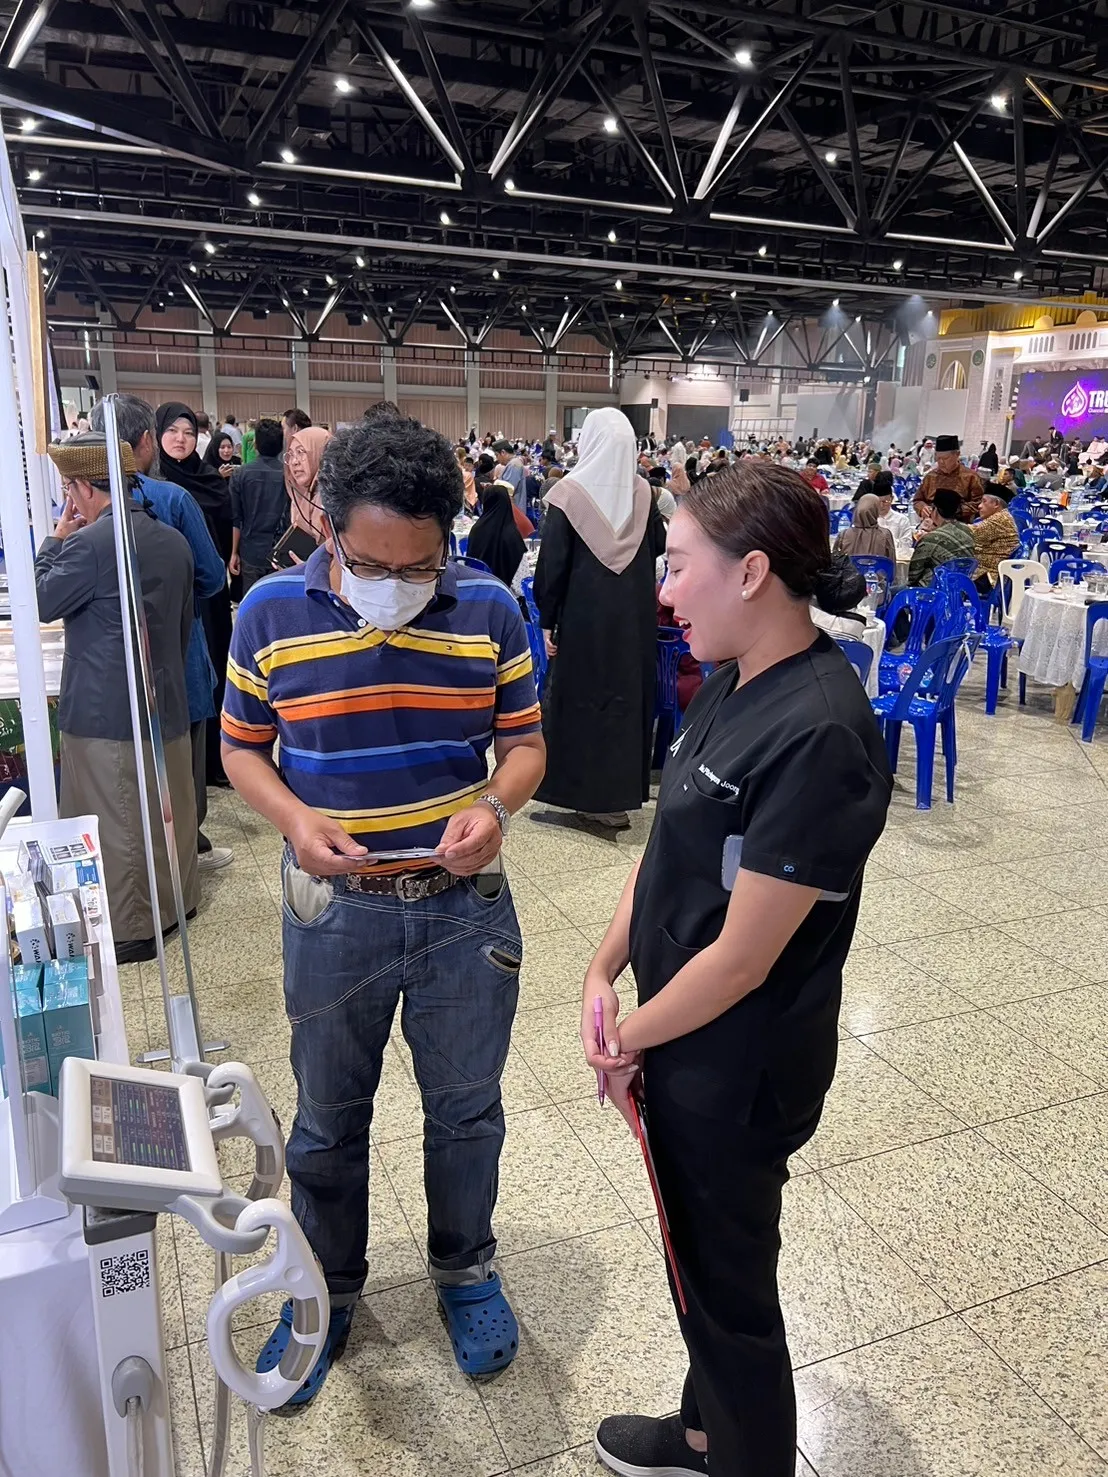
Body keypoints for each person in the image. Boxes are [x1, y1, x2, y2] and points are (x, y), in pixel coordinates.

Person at [220, 413, 546, 1407]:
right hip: (334, 912)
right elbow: (240, 746)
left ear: (449, 536)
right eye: (371, 564)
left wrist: (495, 807)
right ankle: (322, 1291)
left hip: (461, 910)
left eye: (418, 567)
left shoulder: (488, 607)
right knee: (326, 1120)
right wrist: (294, 819)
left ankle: (466, 1267)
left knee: (467, 1110)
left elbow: (526, 744)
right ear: (326, 524)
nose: (394, 589)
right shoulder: (270, 611)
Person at [581, 461, 891, 1477]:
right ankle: (702, 1432)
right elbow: (669, 847)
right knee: (700, 1270)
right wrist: (603, 969)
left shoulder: (820, 733)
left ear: (751, 571)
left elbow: (744, 960)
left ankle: (743, 1452)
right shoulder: (731, 677)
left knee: (730, 1298)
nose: (663, 590)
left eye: (677, 566)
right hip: (679, 1038)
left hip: (737, 1066)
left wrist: (625, 1039)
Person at [37, 435, 199, 962]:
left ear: (85, 488)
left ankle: (133, 928)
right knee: (166, 810)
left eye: (70, 489)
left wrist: (53, 542)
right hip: (165, 699)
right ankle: (178, 903)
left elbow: (42, 600)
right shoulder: (173, 541)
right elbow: (183, 623)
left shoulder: (90, 544)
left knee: (118, 820)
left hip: (105, 709)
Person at [89, 394, 231, 872]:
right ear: (148, 440)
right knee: (182, 761)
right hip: (177, 651)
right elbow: (212, 576)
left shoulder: (86, 499)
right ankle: (185, 854)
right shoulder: (171, 499)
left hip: (108, 662)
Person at [533, 406, 667, 831]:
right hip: (634, 625)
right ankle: (617, 798)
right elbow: (658, 548)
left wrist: (547, 618)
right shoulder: (644, 495)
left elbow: (551, 567)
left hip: (583, 623)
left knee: (579, 702)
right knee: (626, 702)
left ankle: (582, 796)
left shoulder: (569, 496)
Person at [156, 403, 234, 788]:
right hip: (176, 595)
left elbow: (225, 527)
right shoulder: (152, 483)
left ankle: (217, 761)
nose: (181, 439)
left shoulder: (210, 479)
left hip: (212, 590)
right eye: (172, 431)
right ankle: (186, 767)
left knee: (216, 666)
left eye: (188, 432)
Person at [229, 417, 287, 594]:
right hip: (282, 550)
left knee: (253, 600)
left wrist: (234, 553)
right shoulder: (289, 475)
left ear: (255, 445)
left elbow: (236, 518)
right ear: (281, 445)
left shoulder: (240, 474)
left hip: (251, 550)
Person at [465, 480, 528, 591]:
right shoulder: (512, 535)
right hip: (503, 594)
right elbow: (520, 584)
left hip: (476, 590)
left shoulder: (476, 529)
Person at [909, 487, 977, 586]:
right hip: (960, 588)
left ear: (935, 510)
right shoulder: (967, 530)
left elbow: (912, 575)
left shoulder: (932, 538)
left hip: (933, 590)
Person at [913, 434, 983, 522]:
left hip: (959, 524)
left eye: (945, 458)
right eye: (938, 458)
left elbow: (978, 503)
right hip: (931, 523)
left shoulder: (970, 477)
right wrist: (922, 507)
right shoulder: (931, 476)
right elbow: (917, 500)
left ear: (957, 455)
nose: (941, 462)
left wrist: (955, 511)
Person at [284, 426, 333, 549]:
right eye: (291, 454)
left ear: (320, 453)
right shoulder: (299, 497)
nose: (294, 462)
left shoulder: (335, 498)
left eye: (301, 452)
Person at [972, 482, 1020, 590]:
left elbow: (969, 534)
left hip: (989, 576)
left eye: (984, 501)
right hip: (989, 571)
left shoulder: (999, 519)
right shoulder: (1002, 516)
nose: (979, 506)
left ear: (996, 504)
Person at [833, 493, 896, 563]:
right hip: (878, 570)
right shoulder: (885, 535)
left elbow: (835, 561)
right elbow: (891, 563)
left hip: (849, 570)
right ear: (876, 511)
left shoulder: (844, 535)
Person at [492, 438, 527, 512]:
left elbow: (507, 490)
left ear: (503, 452)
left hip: (512, 510)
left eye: (497, 455)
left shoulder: (513, 465)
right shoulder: (513, 464)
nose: (497, 459)